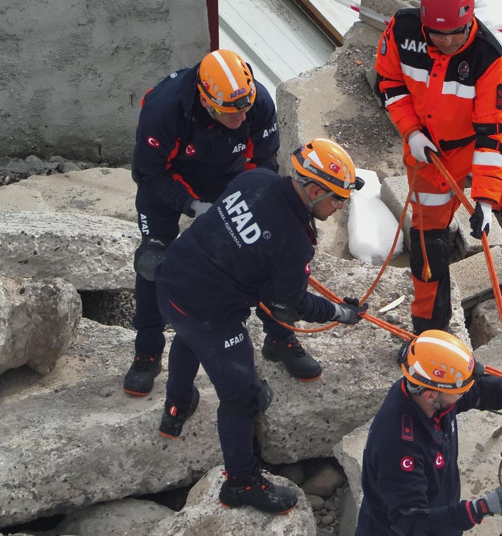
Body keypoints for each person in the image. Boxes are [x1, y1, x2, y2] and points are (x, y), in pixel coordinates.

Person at [152, 138, 369, 513]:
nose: (339, 208)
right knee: (242, 397)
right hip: (209, 312)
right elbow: (290, 304)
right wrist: (340, 313)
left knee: (188, 338)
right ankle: (240, 483)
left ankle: (176, 407)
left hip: (171, 282)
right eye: (337, 199)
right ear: (314, 190)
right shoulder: (294, 241)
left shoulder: (256, 180)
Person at [374, 0, 502, 351]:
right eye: (437, 34)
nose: (445, 42)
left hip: (482, 147)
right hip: (427, 153)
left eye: (455, 34)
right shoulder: (402, 29)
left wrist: (483, 199)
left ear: (470, 22)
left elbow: (489, 134)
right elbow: (389, 82)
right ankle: (430, 330)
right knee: (428, 246)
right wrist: (411, 132)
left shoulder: (489, 57)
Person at [125, 49, 280, 396]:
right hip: (168, 180)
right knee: (152, 264)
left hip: (226, 175)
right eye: (231, 113)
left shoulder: (257, 103)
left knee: (261, 250)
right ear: (206, 101)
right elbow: (150, 171)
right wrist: (194, 206)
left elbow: (265, 161)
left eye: (245, 111)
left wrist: (253, 207)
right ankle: (147, 351)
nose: (241, 120)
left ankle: (279, 336)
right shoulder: (164, 109)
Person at [356, 329, 502, 535]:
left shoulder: (425, 394)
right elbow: (410, 521)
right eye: (459, 392)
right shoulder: (399, 447)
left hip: (441, 514)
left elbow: (480, 391)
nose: (465, 395)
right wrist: (479, 509)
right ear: (431, 395)